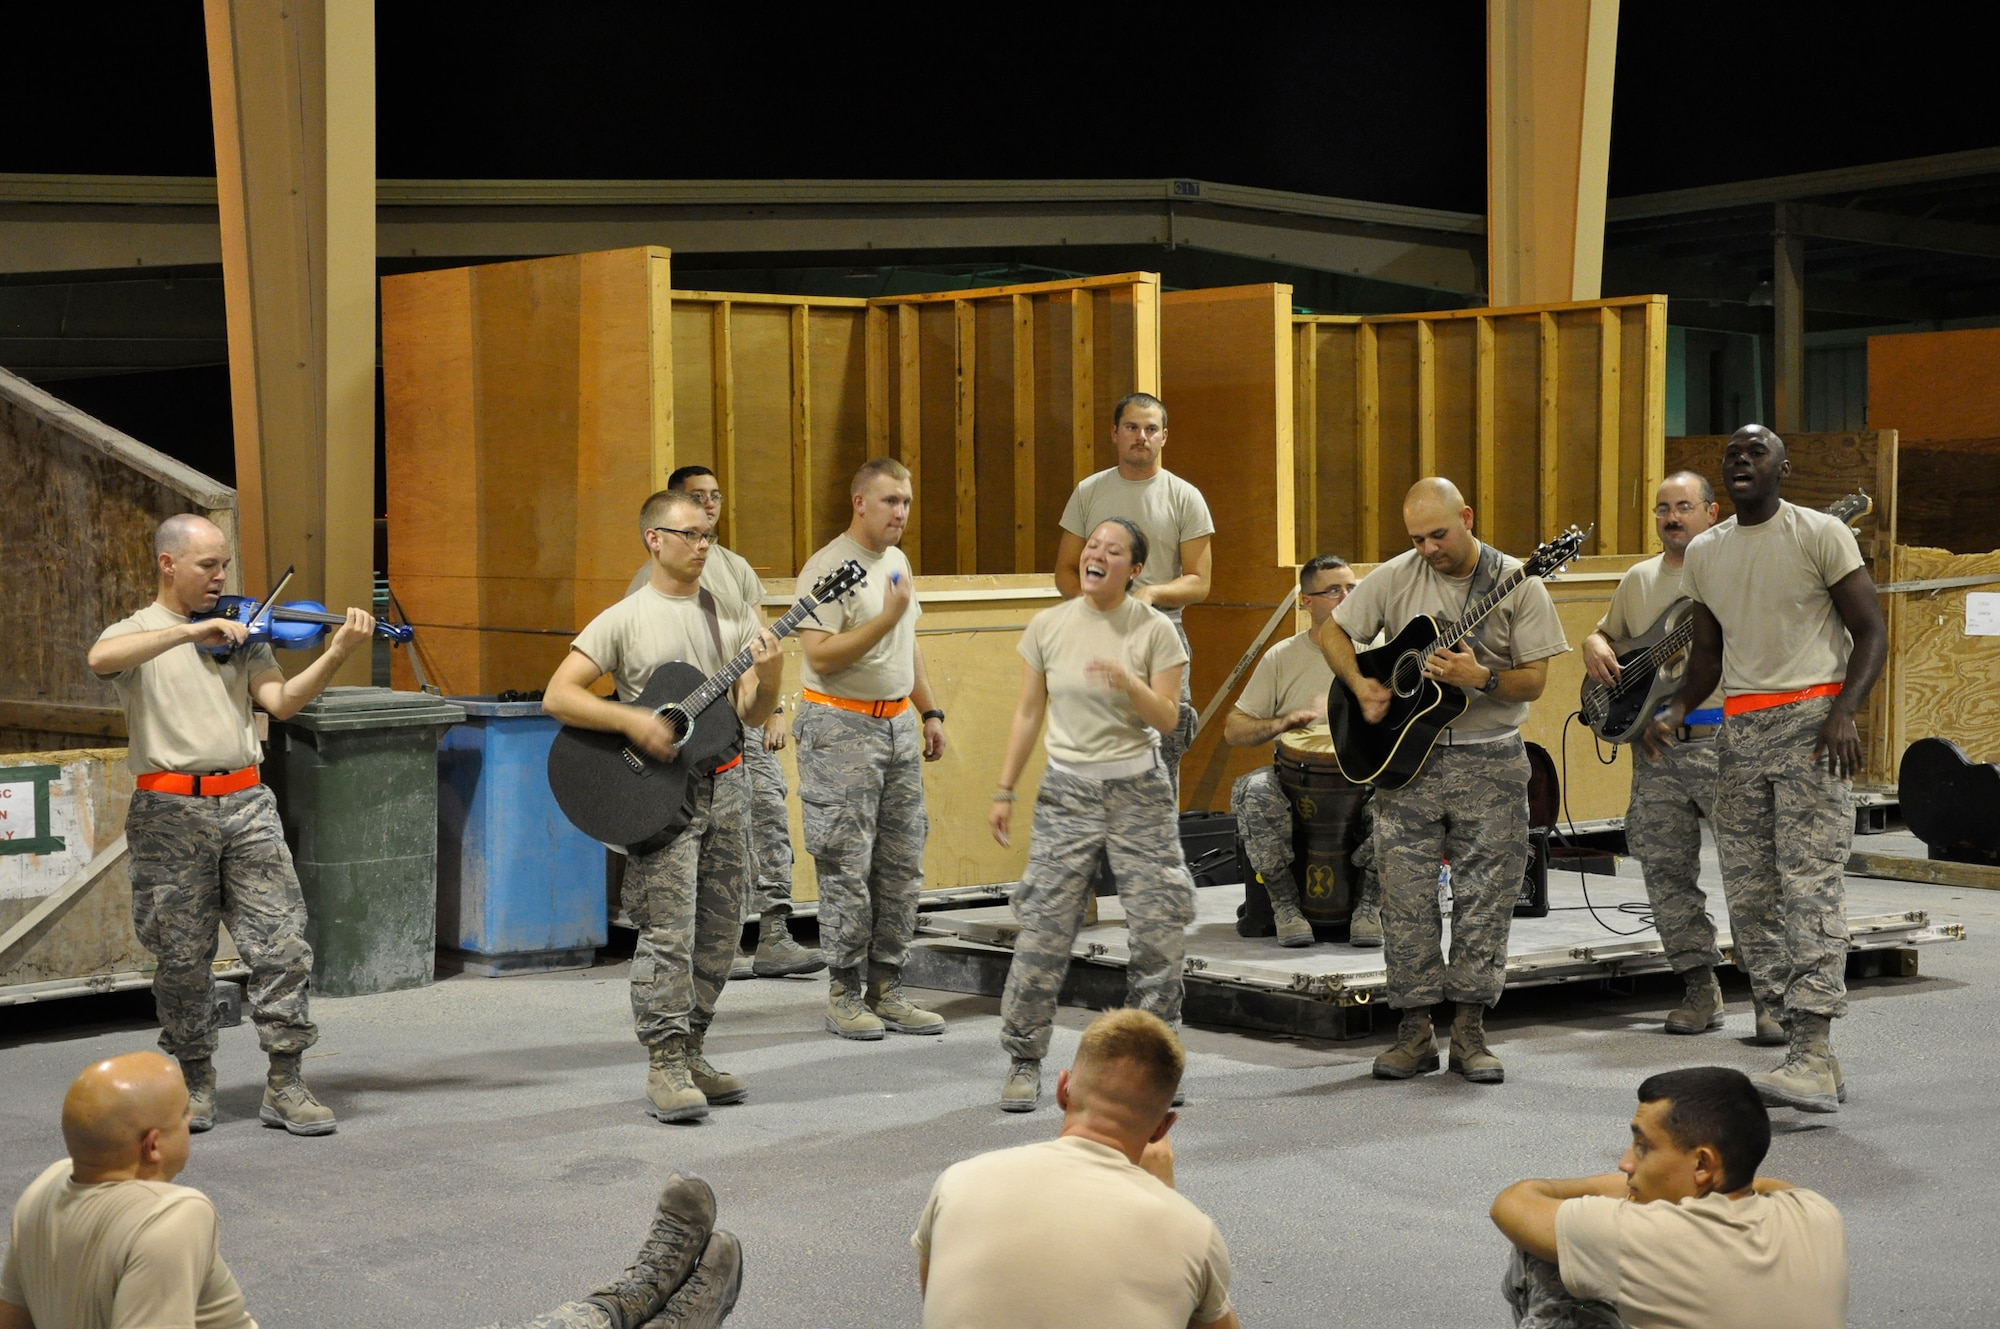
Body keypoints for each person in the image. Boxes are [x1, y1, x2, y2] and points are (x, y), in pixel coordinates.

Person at [0, 1053, 739, 1329]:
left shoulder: (38, 1193)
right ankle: (644, 1307)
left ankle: (640, 1298)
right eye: (181, 1118)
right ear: (154, 1146)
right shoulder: (172, 1214)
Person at [86, 514, 375, 1136]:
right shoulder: (137, 633)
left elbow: (281, 702)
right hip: (169, 812)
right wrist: (187, 633)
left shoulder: (245, 634)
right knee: (181, 955)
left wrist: (337, 654)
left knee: (282, 944)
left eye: (224, 566)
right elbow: (100, 658)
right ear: (168, 564)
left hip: (246, 801)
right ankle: (193, 1082)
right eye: (206, 566)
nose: (221, 578)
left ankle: (286, 1082)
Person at [1652, 425, 1887, 1113]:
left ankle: (1813, 1050)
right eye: (1733, 454)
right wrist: (1676, 709)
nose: (1743, 461)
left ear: (1783, 468)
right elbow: (1706, 655)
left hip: (1814, 723)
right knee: (1752, 899)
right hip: (1740, 730)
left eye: (1758, 453)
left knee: (1809, 885)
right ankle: (1802, 1046)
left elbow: (1870, 629)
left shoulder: (1819, 533)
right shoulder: (1706, 553)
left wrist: (1846, 711)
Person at [1316, 478, 1568, 1085]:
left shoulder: (1521, 582)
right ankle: (1413, 1034)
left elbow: (1534, 680)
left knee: (1488, 900)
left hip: (1491, 761)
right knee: (1404, 900)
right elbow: (1329, 631)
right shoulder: (1398, 575)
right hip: (1409, 763)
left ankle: (1472, 1034)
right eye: (1416, 538)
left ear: (1468, 518)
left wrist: (1480, 678)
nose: (1427, 549)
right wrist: (1363, 684)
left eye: (1438, 535)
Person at [544, 489, 783, 1122]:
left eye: (709, 535)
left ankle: (696, 1046)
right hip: (659, 794)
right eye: (691, 535)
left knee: (724, 928)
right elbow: (559, 697)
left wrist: (774, 674)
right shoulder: (624, 618)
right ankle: (665, 1062)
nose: (704, 545)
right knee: (669, 933)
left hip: (728, 782)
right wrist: (631, 721)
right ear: (655, 539)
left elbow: (753, 711)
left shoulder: (727, 614)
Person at [989, 519, 1195, 1111]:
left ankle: (1154, 1068)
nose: (1096, 555)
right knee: (1044, 929)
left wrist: (1129, 681)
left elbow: (1167, 719)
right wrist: (1004, 789)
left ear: (1134, 570)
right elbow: (1029, 712)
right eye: (1092, 546)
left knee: (1158, 932)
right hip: (1068, 794)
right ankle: (1024, 1058)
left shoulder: (1156, 630)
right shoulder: (1049, 626)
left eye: (1113, 550)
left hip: (1138, 791)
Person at [913, 1009, 1238, 1329]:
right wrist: (1163, 1194)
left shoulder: (958, 1182)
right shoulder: (1193, 1233)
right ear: (1163, 1127)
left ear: (1062, 1088)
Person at [624, 465, 824, 983]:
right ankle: (721, 943)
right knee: (697, 833)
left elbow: (761, 640)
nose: (709, 507)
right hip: (688, 734)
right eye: (696, 498)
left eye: (715, 497)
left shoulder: (734, 567)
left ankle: (775, 933)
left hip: (740, 718)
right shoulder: (650, 579)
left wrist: (774, 707)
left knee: (767, 815)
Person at [1489, 1065, 1848, 1329]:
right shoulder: (1817, 1214)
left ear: (1703, 1164)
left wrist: (1628, 1192)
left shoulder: (1650, 1236)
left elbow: (1513, 1203)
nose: (1625, 1162)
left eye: (1643, 1148)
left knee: (1544, 1253)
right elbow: (1766, 1184)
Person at [794, 458, 948, 1040]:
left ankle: (887, 987)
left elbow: (909, 645)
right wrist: (886, 619)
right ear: (859, 502)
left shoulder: (898, 562)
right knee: (845, 866)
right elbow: (820, 655)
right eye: (889, 502)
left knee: (901, 864)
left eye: (905, 502)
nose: (900, 513)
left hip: (896, 728)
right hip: (840, 728)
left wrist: (928, 711)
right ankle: (843, 991)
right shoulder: (828, 567)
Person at [1581, 473, 1739, 1038]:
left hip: (1727, 744)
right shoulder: (1640, 578)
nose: (1673, 518)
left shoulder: (1736, 570)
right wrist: (1595, 644)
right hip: (1656, 751)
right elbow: (1607, 635)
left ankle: (1771, 996)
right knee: (1667, 875)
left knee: (1751, 874)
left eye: (1684, 507)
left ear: (1712, 511)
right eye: (1663, 509)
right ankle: (1700, 990)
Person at [1055, 393, 1214, 790]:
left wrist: (1150, 595)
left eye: (1150, 429)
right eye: (1131, 427)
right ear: (1115, 434)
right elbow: (1065, 570)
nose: (1140, 436)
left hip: (1161, 633)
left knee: (1164, 749)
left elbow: (1199, 580)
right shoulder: (1089, 492)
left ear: (1164, 437)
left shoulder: (1184, 496)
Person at [1223, 554, 1379, 948]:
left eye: (1351, 588)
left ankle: (1370, 905)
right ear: (1306, 601)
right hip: (1299, 781)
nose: (1345, 597)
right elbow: (1234, 729)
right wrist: (1281, 723)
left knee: (1410, 795)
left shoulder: (1382, 650)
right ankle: (1284, 907)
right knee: (1253, 791)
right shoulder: (1283, 656)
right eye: (1332, 591)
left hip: (1367, 776)